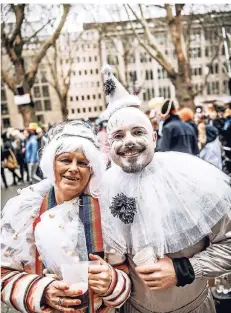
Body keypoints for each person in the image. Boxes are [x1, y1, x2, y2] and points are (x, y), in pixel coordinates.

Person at [99, 64, 231, 313]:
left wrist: (185, 269)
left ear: (154, 137)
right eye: (118, 135)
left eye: (138, 132)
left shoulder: (191, 179)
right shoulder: (101, 190)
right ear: (109, 144)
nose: (128, 142)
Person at [1, 120, 131, 313]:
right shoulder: (24, 210)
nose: (73, 168)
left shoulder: (107, 211)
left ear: (92, 170)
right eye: (65, 160)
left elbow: (123, 269)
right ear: (51, 164)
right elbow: (2, 275)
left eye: (82, 163)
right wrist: (42, 292)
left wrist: (112, 281)